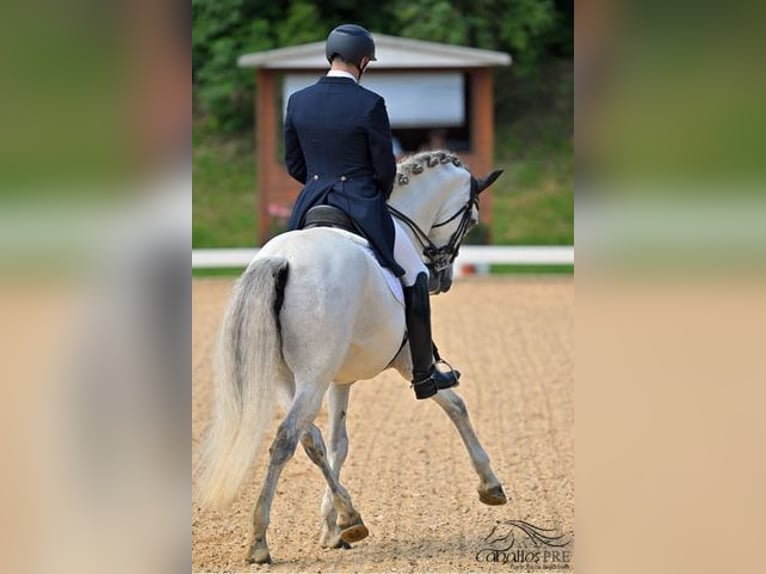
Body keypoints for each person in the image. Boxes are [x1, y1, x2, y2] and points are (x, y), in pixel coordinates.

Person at [283, 24, 459, 400]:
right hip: (360, 202)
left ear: (330, 55)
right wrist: (370, 195)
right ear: (363, 61)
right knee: (415, 274)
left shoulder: (297, 100)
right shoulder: (370, 103)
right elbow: (384, 170)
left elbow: (294, 165)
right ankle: (425, 373)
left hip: (311, 204)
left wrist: (320, 182)